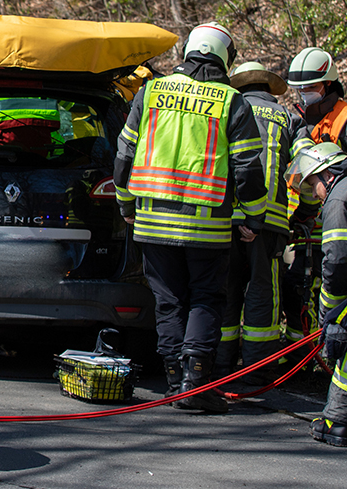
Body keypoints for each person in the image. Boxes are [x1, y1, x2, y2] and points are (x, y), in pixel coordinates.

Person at [114, 22, 267, 413]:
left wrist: (126, 206)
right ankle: (195, 384)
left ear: (188, 51)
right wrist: (254, 217)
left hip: (152, 222)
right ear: (225, 58)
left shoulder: (150, 92)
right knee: (205, 298)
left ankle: (173, 383)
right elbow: (249, 168)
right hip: (207, 227)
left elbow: (124, 156)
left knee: (168, 302)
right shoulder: (231, 101)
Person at [216, 62, 306, 383]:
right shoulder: (290, 119)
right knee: (262, 294)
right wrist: (305, 214)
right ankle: (257, 369)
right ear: (269, 89)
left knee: (225, 291)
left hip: (226, 221)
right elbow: (305, 168)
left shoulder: (227, 111)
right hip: (269, 225)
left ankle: (221, 365)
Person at [284, 143, 347, 447]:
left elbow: (337, 259)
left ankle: (336, 422)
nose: (315, 194)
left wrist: (331, 314)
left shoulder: (341, 195)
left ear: (327, 174)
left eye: (312, 185)